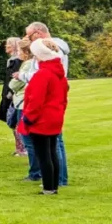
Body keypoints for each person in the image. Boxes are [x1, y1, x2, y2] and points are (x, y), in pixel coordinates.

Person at [21, 22, 70, 186]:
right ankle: (55, 182)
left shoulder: (44, 74)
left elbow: (36, 98)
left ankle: (51, 184)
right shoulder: (58, 74)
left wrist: (28, 117)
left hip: (43, 117)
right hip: (55, 113)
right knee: (53, 150)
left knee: (46, 153)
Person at [0, 37, 26, 157]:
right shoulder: (12, 61)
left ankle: (21, 148)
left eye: (8, 44)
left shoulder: (16, 62)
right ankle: (19, 147)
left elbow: (14, 80)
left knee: (14, 121)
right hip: (9, 94)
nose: (6, 46)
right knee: (12, 121)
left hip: (12, 95)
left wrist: (10, 94)